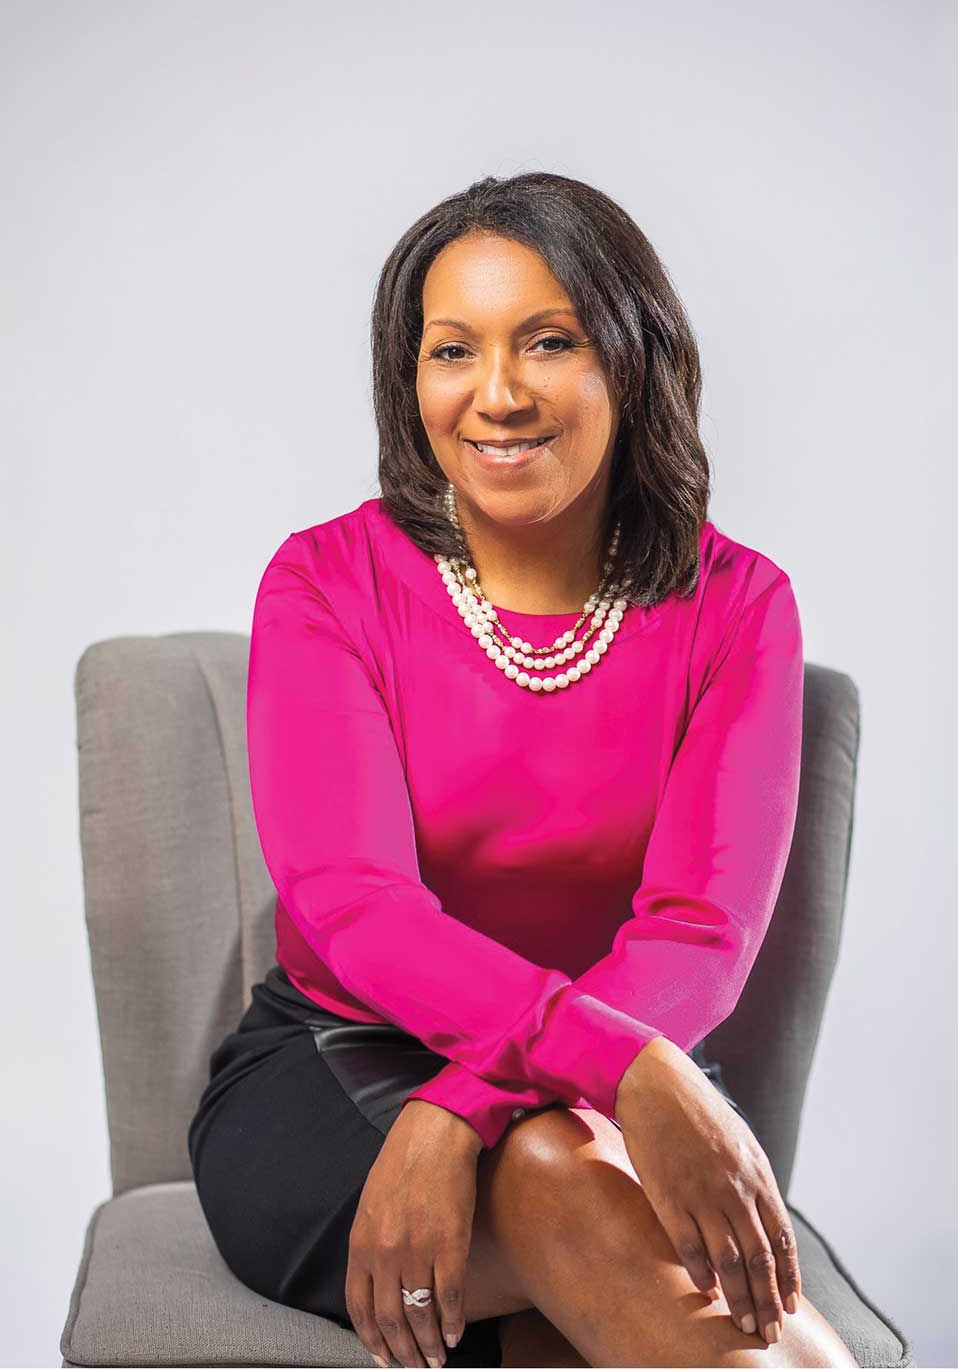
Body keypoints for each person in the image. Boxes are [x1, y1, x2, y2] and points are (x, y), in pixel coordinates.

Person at [188, 171, 858, 1369]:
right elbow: (356, 909)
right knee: (561, 1175)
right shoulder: (326, 583)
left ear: (632, 358)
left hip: (621, 1063)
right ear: (412, 379)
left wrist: (472, 1103)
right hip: (343, 1061)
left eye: (548, 341)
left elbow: (699, 931)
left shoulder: (739, 604)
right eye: (453, 350)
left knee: (566, 1186)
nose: (496, 394)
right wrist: (569, 1078)